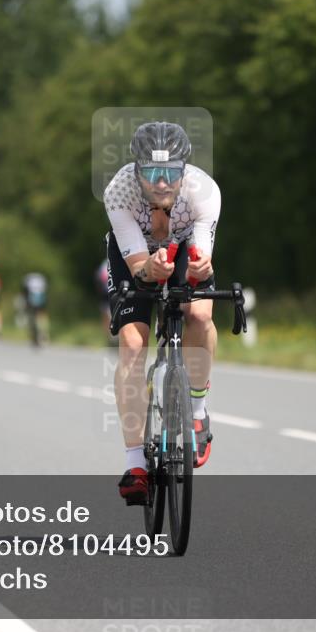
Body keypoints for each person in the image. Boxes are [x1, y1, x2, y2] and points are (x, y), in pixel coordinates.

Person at [104, 121, 221, 505]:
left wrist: (201, 270)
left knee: (201, 316)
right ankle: (135, 462)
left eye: (170, 173)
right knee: (132, 342)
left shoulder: (204, 191)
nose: (161, 182)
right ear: (135, 170)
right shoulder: (119, 192)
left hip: (184, 244)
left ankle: (198, 411)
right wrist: (150, 271)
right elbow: (138, 264)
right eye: (151, 172)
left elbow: (201, 255)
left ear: (184, 171)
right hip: (136, 253)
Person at [20, 272, 49, 346]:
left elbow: (24, 290)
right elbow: (45, 289)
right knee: (41, 314)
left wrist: (25, 301)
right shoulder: (41, 277)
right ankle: (43, 330)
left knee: (31, 315)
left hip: (31, 296)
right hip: (41, 296)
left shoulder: (28, 277)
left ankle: (33, 333)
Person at [95, 258, 114, 341]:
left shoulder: (105, 263)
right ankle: (109, 336)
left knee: (108, 314)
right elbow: (99, 278)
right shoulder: (104, 263)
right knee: (106, 314)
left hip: (112, 292)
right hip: (105, 293)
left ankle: (113, 335)